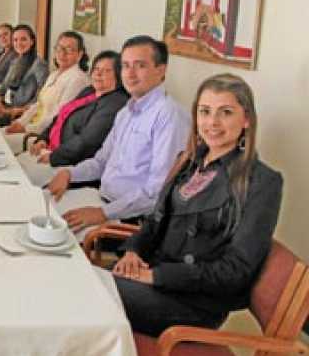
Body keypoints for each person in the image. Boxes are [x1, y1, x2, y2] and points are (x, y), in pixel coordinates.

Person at [112, 74, 283, 337]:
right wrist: (133, 252)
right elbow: (155, 222)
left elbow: (235, 270)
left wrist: (157, 276)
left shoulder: (262, 181)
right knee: (76, 281)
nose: (212, 123)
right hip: (154, 276)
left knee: (89, 297)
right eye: (205, 112)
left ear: (246, 119)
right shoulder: (188, 161)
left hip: (193, 304)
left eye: (225, 112)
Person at [47, 35, 190, 238]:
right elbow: (101, 162)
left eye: (140, 65)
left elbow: (157, 192)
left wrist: (103, 213)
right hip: (101, 199)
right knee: (40, 206)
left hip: (130, 220)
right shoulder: (126, 112)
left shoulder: (169, 116)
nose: (130, 74)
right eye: (125, 65)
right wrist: (70, 173)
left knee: (51, 233)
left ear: (161, 69)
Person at [17, 51, 129, 186]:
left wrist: (54, 157)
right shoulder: (89, 90)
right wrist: (43, 139)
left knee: (23, 177)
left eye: (106, 71)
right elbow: (60, 116)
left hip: (73, 166)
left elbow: (87, 141)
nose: (98, 74)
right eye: (96, 69)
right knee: (17, 164)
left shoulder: (115, 103)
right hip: (54, 150)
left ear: (119, 75)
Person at [0, 31, 88, 136]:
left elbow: (59, 114)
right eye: (59, 48)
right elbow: (39, 104)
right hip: (31, 125)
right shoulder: (54, 74)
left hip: (44, 135)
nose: (62, 53)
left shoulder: (78, 79)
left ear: (80, 54)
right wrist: (20, 122)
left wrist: (27, 129)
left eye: (68, 49)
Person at [0, 25, 47, 111]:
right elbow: (5, 86)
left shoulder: (39, 64)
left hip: (20, 113)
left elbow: (42, 96)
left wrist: (20, 110)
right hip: (7, 106)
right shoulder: (16, 61)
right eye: (15, 40)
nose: (19, 43)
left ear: (32, 41)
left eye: (23, 39)